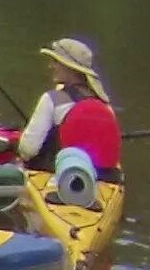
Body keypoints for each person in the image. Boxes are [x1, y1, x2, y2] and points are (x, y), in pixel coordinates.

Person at [17, 37, 122, 179]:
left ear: (69, 66)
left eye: (55, 62)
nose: (50, 66)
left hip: (59, 176)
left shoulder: (52, 100)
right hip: (105, 179)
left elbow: (28, 150)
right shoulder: (104, 104)